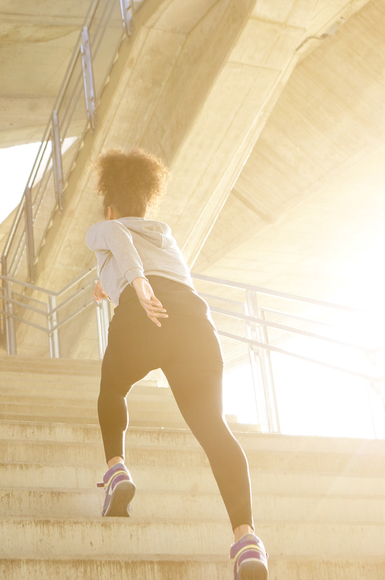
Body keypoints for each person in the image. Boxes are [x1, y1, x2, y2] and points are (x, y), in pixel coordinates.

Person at [86, 149, 269, 580]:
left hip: (142, 311)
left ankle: (116, 470)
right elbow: (141, 250)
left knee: (111, 390)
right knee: (213, 426)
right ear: (145, 201)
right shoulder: (164, 233)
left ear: (109, 205)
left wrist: (137, 282)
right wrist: (105, 283)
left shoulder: (106, 226)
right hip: (192, 322)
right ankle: (246, 540)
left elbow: (118, 239)